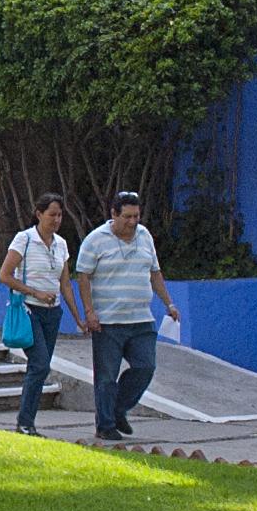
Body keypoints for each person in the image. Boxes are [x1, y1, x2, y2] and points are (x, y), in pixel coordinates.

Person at [76, 188, 178, 442]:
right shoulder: (95, 240)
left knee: (145, 366)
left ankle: (119, 409)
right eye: (127, 217)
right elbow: (83, 276)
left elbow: (155, 271)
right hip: (108, 322)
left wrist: (169, 303)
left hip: (141, 318)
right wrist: (89, 312)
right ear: (114, 214)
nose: (132, 222)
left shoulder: (144, 237)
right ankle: (106, 424)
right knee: (107, 377)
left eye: (136, 217)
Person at [0, 192, 75, 435]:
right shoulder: (25, 239)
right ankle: (25, 422)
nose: (56, 219)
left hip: (53, 312)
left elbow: (65, 283)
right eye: (52, 214)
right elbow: (5, 275)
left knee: (41, 366)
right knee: (39, 365)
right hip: (30, 309)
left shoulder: (61, 244)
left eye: (60, 215)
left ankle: (27, 422)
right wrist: (35, 292)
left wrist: (79, 317)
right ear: (39, 214)